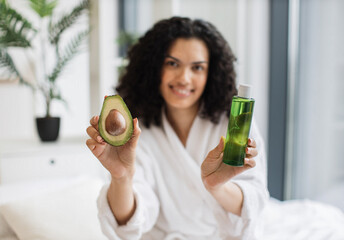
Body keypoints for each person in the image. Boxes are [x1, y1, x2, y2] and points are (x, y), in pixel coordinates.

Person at [86, 17, 269, 240]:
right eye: (172, 64)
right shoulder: (136, 128)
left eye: (197, 68)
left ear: (211, 73)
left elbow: (255, 201)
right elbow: (131, 222)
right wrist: (121, 177)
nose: (184, 78)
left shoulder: (235, 121)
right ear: (154, 67)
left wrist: (216, 186)